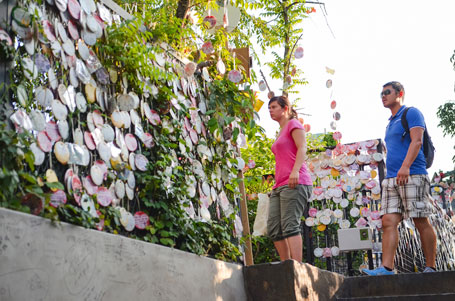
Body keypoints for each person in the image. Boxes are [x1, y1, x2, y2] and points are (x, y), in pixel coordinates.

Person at [362, 81, 437, 276]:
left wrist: (405, 166)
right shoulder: (390, 122)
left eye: (387, 92)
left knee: (420, 220)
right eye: (381, 94)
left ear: (400, 93)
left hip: (412, 173)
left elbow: (417, 140)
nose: (383, 96)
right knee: (388, 221)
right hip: (391, 179)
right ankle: (387, 268)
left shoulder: (411, 113)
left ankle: (431, 267)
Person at [267, 95, 312, 262]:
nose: (270, 111)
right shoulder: (281, 131)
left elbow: (302, 147)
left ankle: (297, 267)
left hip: (296, 181)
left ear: (285, 108)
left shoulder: (294, 124)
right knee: (274, 229)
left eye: (274, 107)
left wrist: (295, 171)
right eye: (269, 108)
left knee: (290, 225)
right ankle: (286, 265)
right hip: (279, 185)